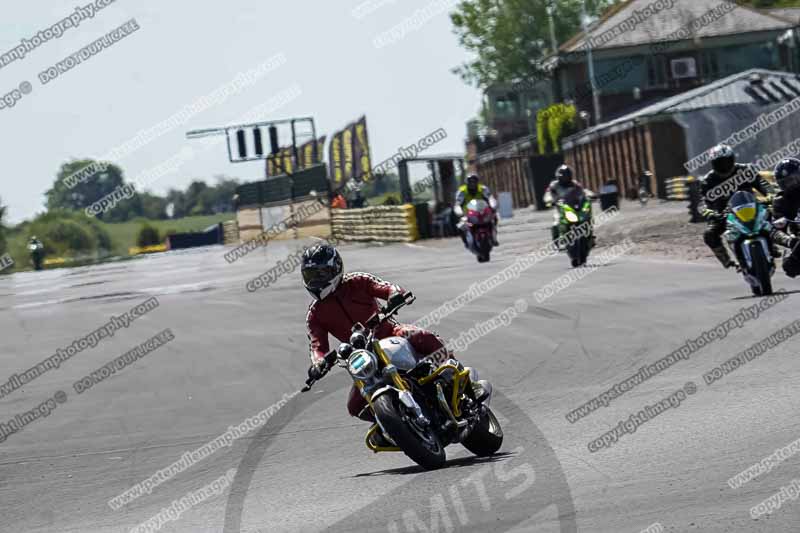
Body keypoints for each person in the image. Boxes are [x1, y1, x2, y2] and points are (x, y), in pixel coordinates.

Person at [301, 244, 492, 443]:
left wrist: (395, 294)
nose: (315, 281)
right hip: (363, 356)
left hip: (389, 332)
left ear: (335, 268)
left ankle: (469, 384)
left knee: (422, 336)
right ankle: (392, 425)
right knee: (354, 406)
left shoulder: (357, 281)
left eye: (320, 273)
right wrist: (319, 363)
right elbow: (317, 346)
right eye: (310, 275)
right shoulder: (314, 314)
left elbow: (385, 287)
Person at [700, 144, 775, 270]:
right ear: (713, 164)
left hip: (751, 208)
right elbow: (703, 201)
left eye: (726, 161)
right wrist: (709, 212)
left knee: (773, 213)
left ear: (733, 159)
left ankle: (773, 245)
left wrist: (770, 195)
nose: (724, 166)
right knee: (709, 234)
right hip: (725, 214)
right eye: (720, 163)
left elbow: (763, 184)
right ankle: (727, 260)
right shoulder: (708, 180)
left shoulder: (746, 170)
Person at [769, 158, 800, 277]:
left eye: (794, 179)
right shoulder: (781, 201)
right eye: (787, 182)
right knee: (789, 267)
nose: (792, 185)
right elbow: (774, 230)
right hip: (798, 238)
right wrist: (790, 241)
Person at [544, 165, 585, 247]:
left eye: (567, 175)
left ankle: (588, 236)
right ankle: (556, 240)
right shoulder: (554, 185)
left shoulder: (575, 184)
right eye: (564, 176)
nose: (566, 178)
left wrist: (585, 198)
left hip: (574, 208)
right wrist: (550, 201)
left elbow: (582, 193)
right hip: (560, 209)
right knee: (556, 223)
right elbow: (548, 195)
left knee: (585, 217)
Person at [454, 174, 499, 246]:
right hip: (468, 214)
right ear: (467, 182)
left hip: (482, 212)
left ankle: (494, 238)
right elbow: (458, 203)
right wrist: (459, 212)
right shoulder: (462, 191)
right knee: (460, 226)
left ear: (477, 182)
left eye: (474, 181)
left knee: (494, 219)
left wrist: (493, 205)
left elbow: (490, 198)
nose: (472, 184)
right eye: (470, 182)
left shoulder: (483, 189)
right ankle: (465, 241)